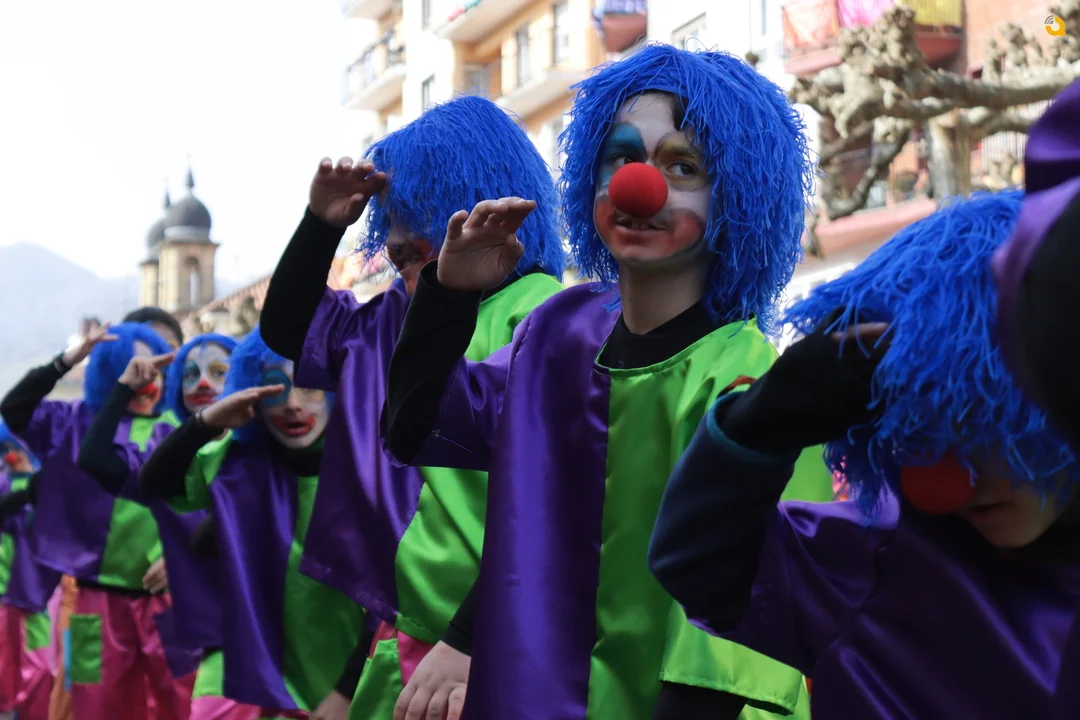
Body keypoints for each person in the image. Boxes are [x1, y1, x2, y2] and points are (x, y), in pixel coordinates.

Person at [384, 44, 831, 719]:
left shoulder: (745, 382)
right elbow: (414, 429)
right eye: (621, 158)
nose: (637, 186)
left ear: (736, 195)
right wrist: (447, 294)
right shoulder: (556, 334)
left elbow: (729, 662)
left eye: (683, 166)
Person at [649, 190, 1080, 717]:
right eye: (925, 428)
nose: (960, 474)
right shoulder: (874, 562)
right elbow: (696, 566)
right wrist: (759, 425)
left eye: (992, 421)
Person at [259, 94, 565, 720]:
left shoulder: (545, 317)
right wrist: (321, 224)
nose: (402, 260)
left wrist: (471, 636)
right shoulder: (393, 321)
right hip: (405, 638)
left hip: (499, 648)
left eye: (418, 247)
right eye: (396, 253)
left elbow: (562, 504)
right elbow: (288, 328)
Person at [137, 329, 365, 718]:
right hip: (275, 686)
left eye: (309, 387)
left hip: (360, 686)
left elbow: (393, 602)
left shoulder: (368, 470)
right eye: (275, 389)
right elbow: (155, 482)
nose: (293, 405)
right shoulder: (239, 461)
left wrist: (346, 692)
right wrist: (207, 421)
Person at [76, 333, 276, 719]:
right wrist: (123, 387)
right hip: (199, 632)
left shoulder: (273, 452)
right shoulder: (166, 464)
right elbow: (95, 459)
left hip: (268, 635)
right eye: (189, 374)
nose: (203, 384)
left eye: (219, 372)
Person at [0, 321, 193, 720]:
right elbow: (15, 410)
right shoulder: (75, 421)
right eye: (133, 370)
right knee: (93, 706)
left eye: (154, 370)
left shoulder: (180, 430)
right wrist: (66, 361)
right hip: (93, 603)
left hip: (167, 603)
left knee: (180, 705)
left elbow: (207, 506)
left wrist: (183, 553)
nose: (146, 381)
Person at [0, 426, 60, 720]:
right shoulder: (6, 484)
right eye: (5, 449)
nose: (11, 455)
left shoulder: (52, 487)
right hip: (14, 593)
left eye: (15, 448)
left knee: (40, 666)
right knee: (14, 667)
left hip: (39, 594)